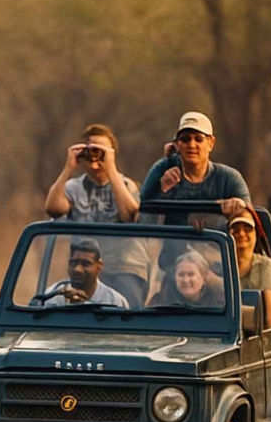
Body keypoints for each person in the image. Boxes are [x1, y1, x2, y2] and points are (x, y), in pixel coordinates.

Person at [43, 124, 149, 307]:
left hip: (124, 266)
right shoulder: (74, 187)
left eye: (101, 150)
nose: (94, 155)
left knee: (126, 320)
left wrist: (110, 168)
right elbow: (52, 208)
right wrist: (69, 167)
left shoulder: (126, 185)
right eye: (90, 149)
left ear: (112, 153)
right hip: (85, 266)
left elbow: (130, 216)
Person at [140, 112, 251, 219]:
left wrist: (239, 207)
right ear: (177, 144)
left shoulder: (228, 178)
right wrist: (162, 191)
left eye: (198, 139)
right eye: (185, 139)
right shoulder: (162, 170)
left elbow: (248, 223)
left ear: (211, 143)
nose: (192, 145)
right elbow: (141, 214)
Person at [33, 237, 129, 309]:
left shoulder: (115, 302)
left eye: (85, 264)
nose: (77, 269)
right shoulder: (53, 296)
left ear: (99, 266)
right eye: (74, 263)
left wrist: (82, 305)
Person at [227, 208, 271, 327]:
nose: (241, 234)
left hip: (254, 335)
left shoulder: (265, 266)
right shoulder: (221, 266)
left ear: (256, 234)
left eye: (247, 229)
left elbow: (270, 320)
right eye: (235, 230)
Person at [147, 249, 225, 310]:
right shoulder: (160, 302)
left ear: (204, 279)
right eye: (181, 274)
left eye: (191, 274)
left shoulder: (219, 305)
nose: (185, 280)